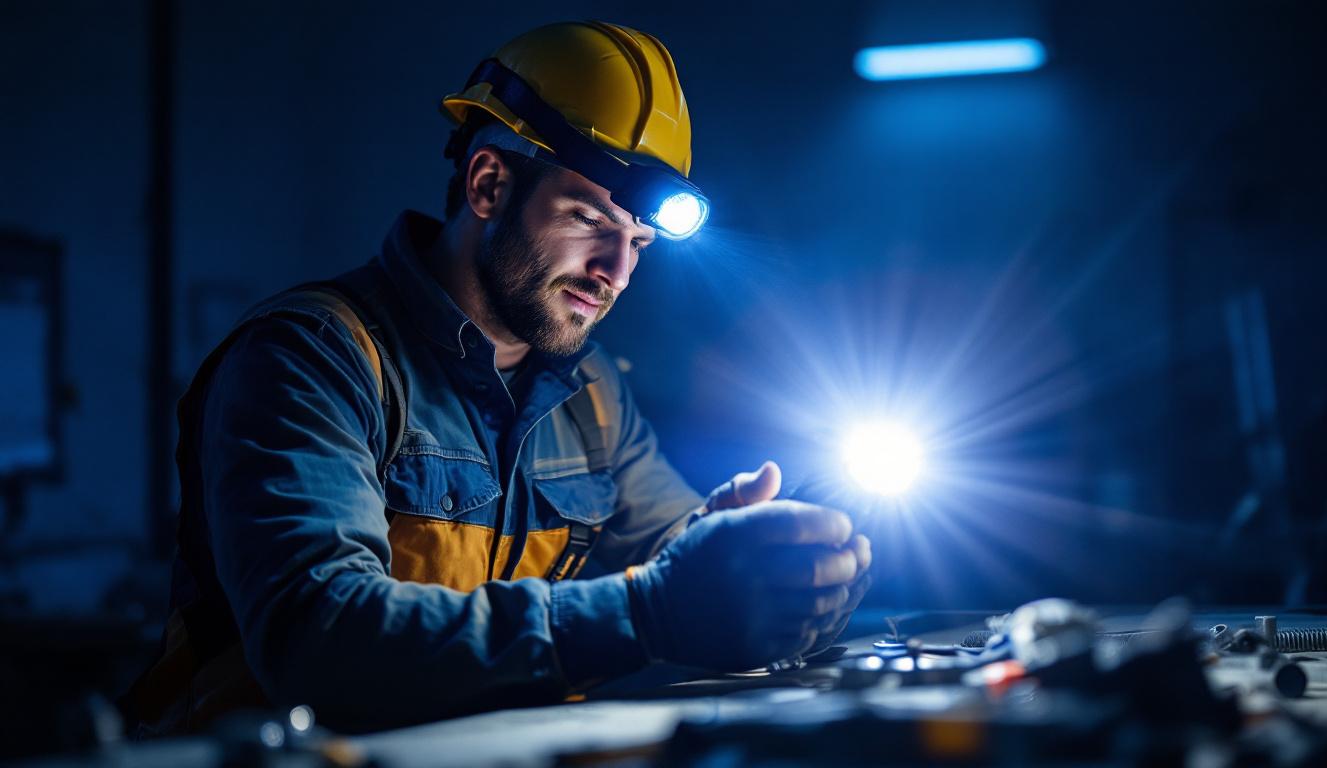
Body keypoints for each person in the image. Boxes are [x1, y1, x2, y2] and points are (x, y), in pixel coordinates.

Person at [122, 20, 871, 735]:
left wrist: (776, 570)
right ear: (488, 185)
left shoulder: (590, 391)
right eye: (589, 221)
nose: (615, 274)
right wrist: (651, 612)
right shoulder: (312, 358)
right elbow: (320, 643)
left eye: (638, 243)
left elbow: (674, 558)